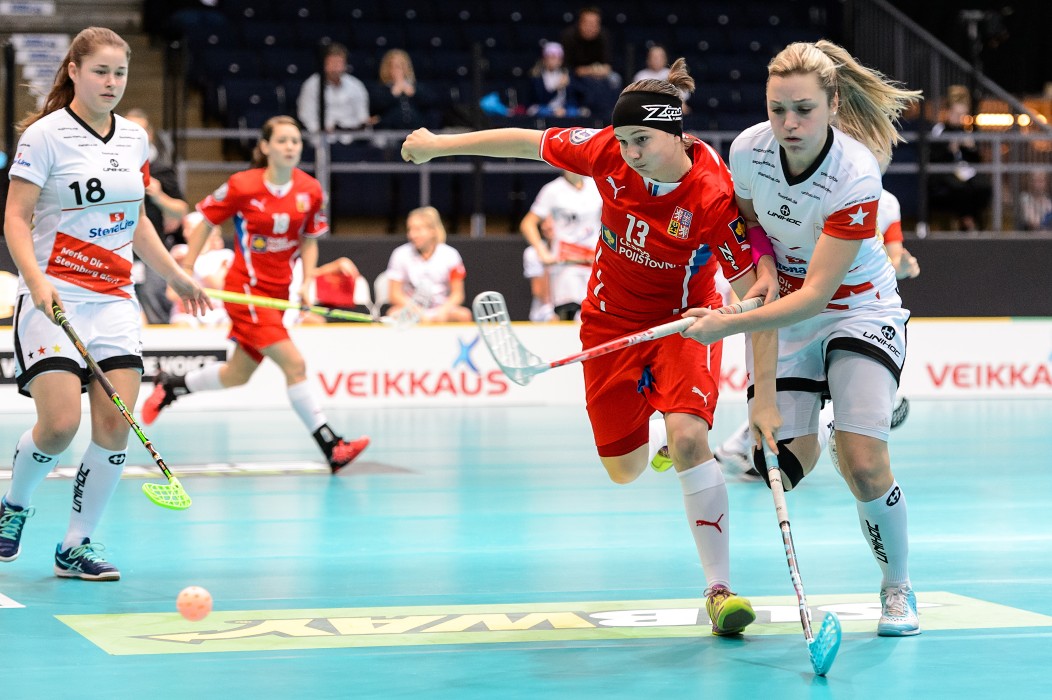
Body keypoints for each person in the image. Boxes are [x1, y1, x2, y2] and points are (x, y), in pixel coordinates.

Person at [401, 58, 779, 637]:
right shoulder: (607, 152)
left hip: (683, 325)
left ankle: (719, 590)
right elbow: (527, 142)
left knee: (689, 438)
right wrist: (438, 145)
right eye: (623, 139)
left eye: (642, 140)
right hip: (608, 326)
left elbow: (756, 296)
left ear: (676, 132)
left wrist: (742, 350)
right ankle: (661, 426)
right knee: (623, 470)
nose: (629, 152)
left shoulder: (711, 193)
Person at [680, 40, 924, 637]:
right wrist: (760, 270)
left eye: (804, 110)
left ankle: (897, 587)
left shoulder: (856, 174)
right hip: (784, 314)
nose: (788, 123)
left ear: (833, 104)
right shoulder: (748, 150)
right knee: (778, 465)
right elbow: (749, 226)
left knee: (863, 462)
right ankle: (838, 421)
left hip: (856, 308)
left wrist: (727, 323)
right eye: (777, 109)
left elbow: (817, 295)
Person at [0, 27, 209, 580]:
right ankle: (13, 505)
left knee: (115, 426)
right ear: (74, 71)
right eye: (101, 71)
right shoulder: (44, 136)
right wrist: (35, 281)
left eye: (120, 72)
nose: (112, 82)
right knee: (59, 426)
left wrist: (177, 275)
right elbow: (15, 218)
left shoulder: (134, 139)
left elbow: (135, 220)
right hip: (54, 297)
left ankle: (76, 544)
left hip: (114, 299)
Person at [141, 115, 370, 472]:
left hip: (278, 295)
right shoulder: (243, 185)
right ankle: (332, 445)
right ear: (265, 147)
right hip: (246, 291)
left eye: (295, 141)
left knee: (237, 374)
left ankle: (172, 386)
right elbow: (207, 220)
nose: (290, 147)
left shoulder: (310, 190)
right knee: (295, 364)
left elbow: (310, 239)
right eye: (282, 140)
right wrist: (188, 269)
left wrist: (306, 283)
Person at [124, 108, 190, 325]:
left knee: (155, 313)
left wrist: (160, 197)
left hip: (151, 253)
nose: (134, 137)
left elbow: (181, 210)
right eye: (129, 131)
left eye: (140, 131)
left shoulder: (161, 169)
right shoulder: (108, 167)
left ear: (150, 135)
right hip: (116, 251)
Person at [518, 170, 602, 320]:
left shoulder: (596, 186)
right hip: (567, 267)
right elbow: (528, 223)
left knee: (595, 317)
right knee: (569, 315)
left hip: (594, 265)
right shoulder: (552, 190)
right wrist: (543, 253)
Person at [384, 206, 472, 323]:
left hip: (441, 309)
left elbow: (458, 294)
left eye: (418, 229)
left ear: (433, 231)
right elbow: (394, 294)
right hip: (412, 309)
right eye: (410, 229)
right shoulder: (400, 254)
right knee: (393, 314)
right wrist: (416, 311)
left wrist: (444, 311)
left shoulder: (451, 254)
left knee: (464, 315)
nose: (412, 235)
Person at [928, 86, 991, 232]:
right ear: (948, 111)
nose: (959, 118)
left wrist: (971, 148)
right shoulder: (939, 130)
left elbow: (976, 161)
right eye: (956, 114)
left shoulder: (964, 131)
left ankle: (975, 223)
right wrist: (950, 149)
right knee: (961, 187)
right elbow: (933, 157)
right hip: (944, 174)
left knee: (984, 186)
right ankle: (967, 222)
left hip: (964, 172)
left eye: (962, 115)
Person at [296, 43, 373, 137]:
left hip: (352, 137)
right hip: (322, 137)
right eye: (332, 62)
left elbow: (363, 116)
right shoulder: (311, 85)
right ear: (324, 64)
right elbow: (305, 115)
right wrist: (319, 130)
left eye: (339, 62)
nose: (336, 67)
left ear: (345, 64)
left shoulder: (356, 85)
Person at [559, 7, 621, 116]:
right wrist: (581, 71)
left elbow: (607, 67)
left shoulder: (604, 36)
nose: (591, 27)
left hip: (596, 74)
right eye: (588, 23)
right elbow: (567, 66)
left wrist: (589, 71)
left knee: (615, 79)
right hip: (573, 74)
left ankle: (611, 114)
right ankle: (579, 112)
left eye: (594, 24)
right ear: (580, 23)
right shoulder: (569, 36)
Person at [369, 49, 437, 131]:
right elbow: (376, 108)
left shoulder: (417, 87)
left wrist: (414, 92)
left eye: (401, 66)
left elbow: (430, 102)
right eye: (395, 66)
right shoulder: (380, 90)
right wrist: (393, 93)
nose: (398, 70)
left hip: (416, 130)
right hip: (390, 132)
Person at [525, 42, 588, 119]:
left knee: (579, 111)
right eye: (551, 57)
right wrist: (557, 88)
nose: (554, 61)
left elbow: (574, 97)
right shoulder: (537, 77)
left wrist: (564, 109)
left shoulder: (566, 75)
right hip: (544, 108)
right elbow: (541, 100)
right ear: (544, 59)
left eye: (557, 58)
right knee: (537, 110)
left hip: (563, 109)